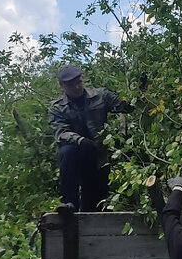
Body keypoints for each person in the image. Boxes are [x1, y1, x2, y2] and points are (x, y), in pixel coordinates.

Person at [48, 64, 133, 212]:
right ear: (62, 85)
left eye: (79, 82)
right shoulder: (57, 108)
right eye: (71, 85)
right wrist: (80, 141)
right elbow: (61, 133)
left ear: (83, 79)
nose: (76, 87)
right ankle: (70, 203)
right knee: (66, 151)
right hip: (75, 159)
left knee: (96, 203)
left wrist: (139, 94)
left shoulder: (100, 95)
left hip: (99, 157)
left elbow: (123, 106)